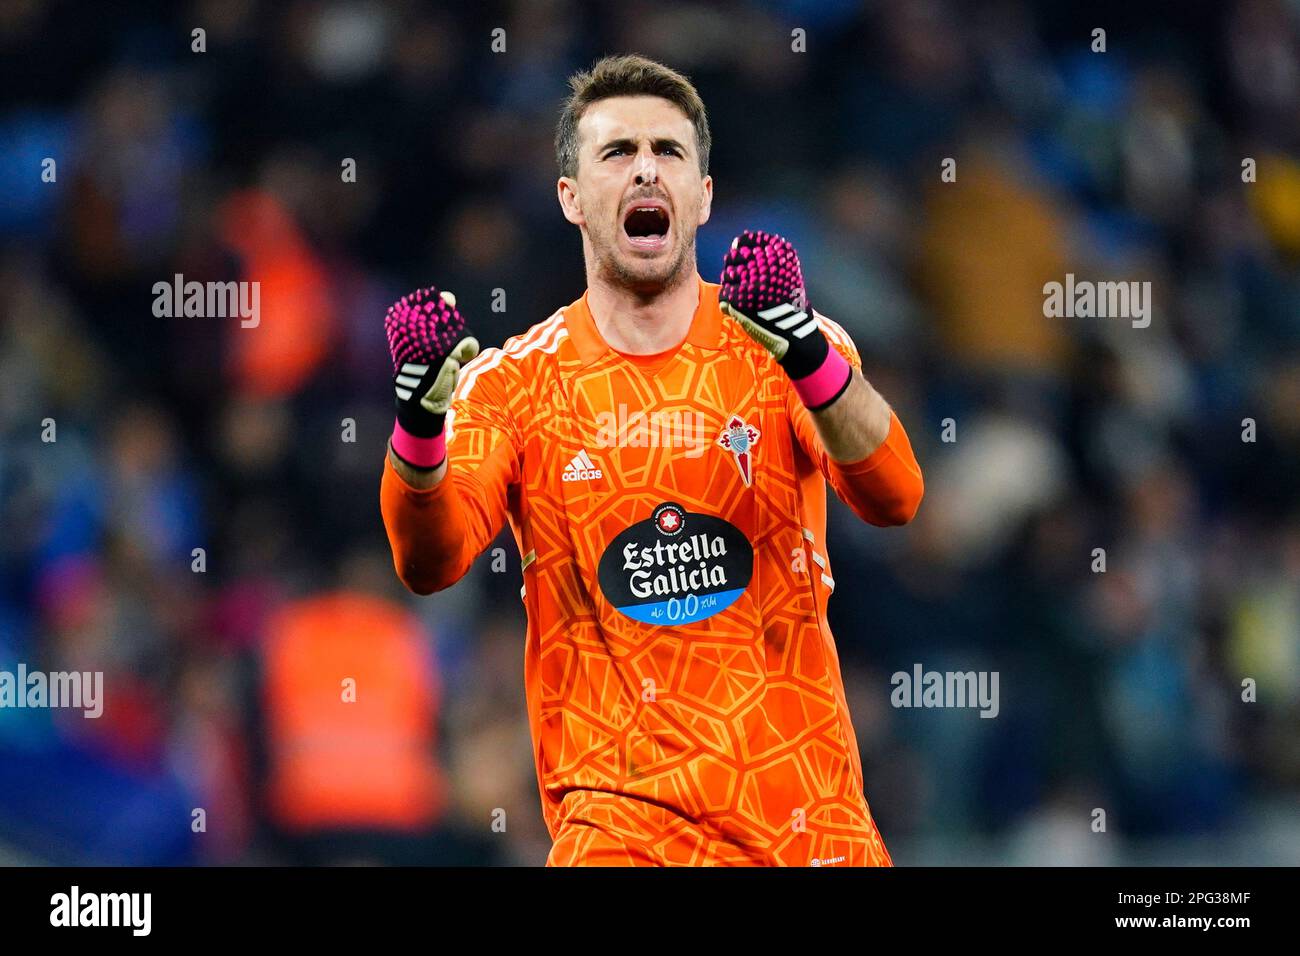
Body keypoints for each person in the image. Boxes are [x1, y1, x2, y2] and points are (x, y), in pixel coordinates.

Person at [379, 54, 924, 866]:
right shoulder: (516, 383)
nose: (645, 168)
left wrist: (808, 354)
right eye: (616, 152)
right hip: (620, 834)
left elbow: (896, 496)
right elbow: (431, 559)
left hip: (808, 825)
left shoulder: (781, 343)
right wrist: (420, 436)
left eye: (669, 151)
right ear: (571, 197)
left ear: (702, 195)